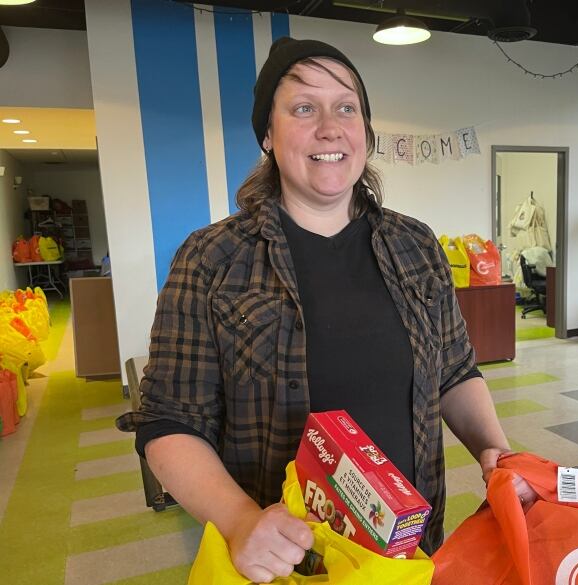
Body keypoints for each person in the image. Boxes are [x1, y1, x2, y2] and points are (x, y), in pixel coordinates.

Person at [117, 36, 537, 584]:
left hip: (406, 552)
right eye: (303, 108)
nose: (329, 126)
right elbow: (169, 421)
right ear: (268, 135)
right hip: (283, 558)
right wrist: (239, 520)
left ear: (364, 129)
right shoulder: (212, 259)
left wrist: (495, 453)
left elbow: (455, 372)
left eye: (346, 107)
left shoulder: (415, 245)